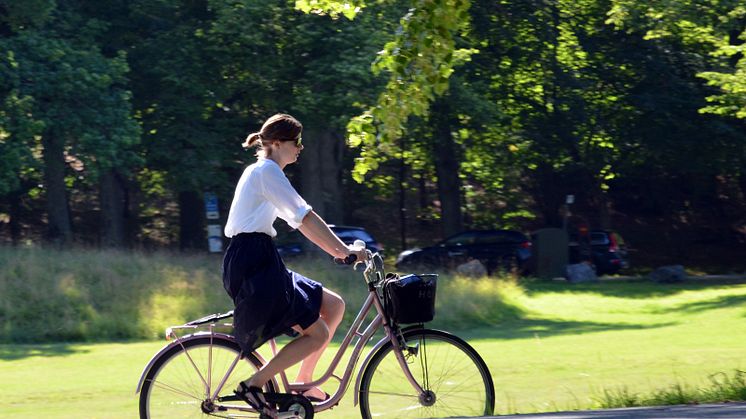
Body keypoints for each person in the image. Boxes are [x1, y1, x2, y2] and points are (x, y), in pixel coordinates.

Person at [222, 113, 366, 412]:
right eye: (296, 142)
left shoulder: (265, 173)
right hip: (253, 262)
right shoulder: (266, 172)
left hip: (259, 257)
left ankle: (305, 382)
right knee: (319, 333)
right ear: (276, 143)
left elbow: (301, 221)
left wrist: (339, 251)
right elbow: (306, 217)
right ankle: (253, 384)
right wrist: (342, 250)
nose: (300, 147)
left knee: (334, 305)